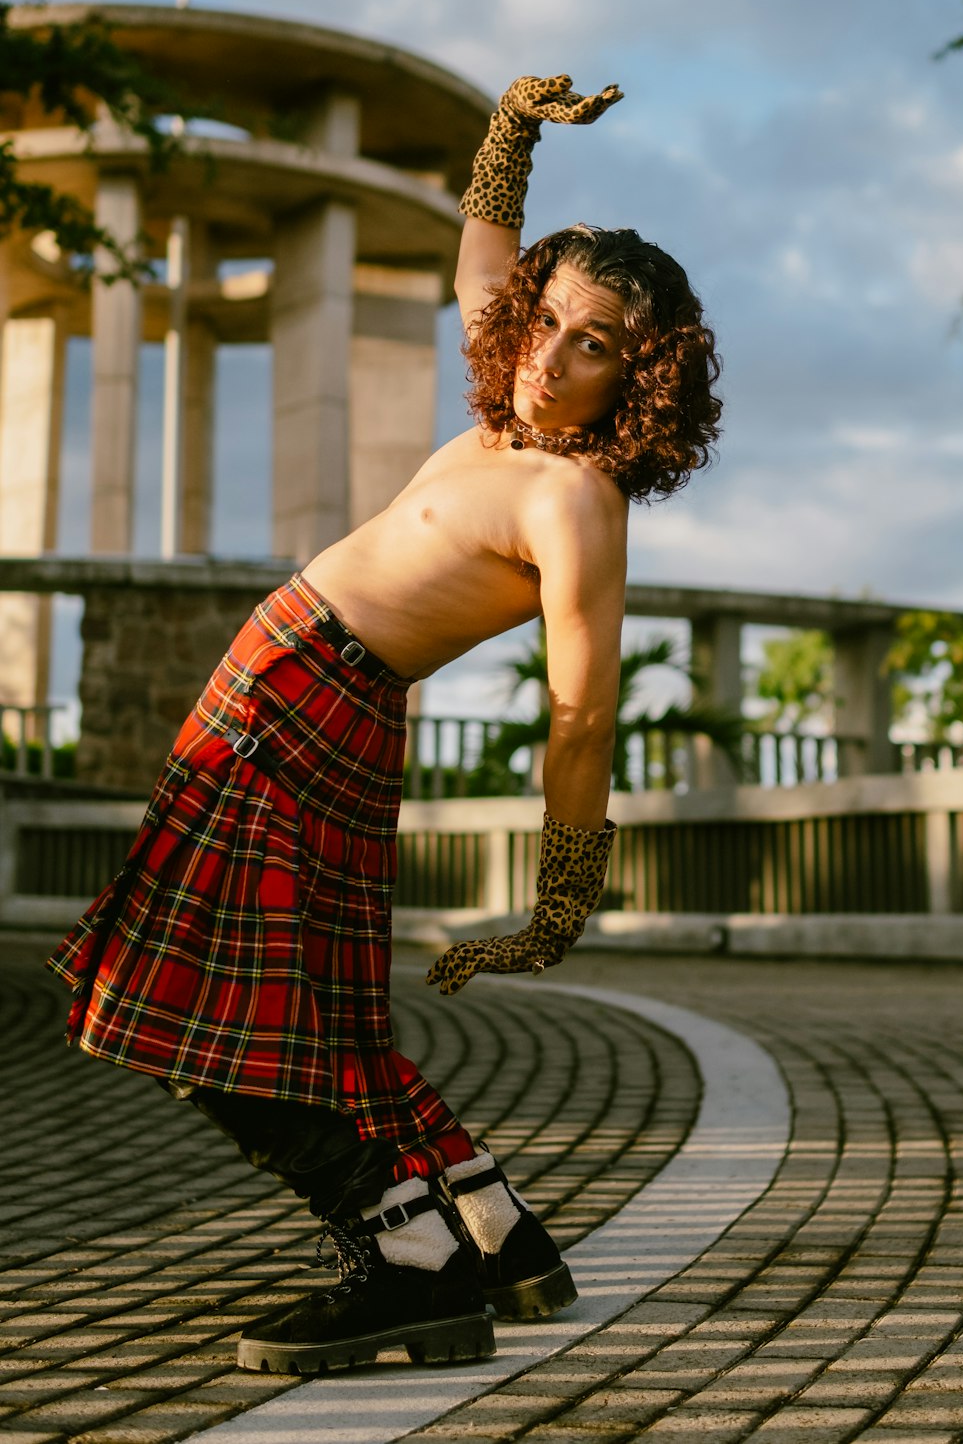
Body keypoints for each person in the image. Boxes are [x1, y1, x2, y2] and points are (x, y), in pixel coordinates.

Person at [46, 74, 722, 1376]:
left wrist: (559, 900)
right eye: (552, 320)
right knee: (329, 1028)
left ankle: (407, 1260)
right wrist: (511, 131)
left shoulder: (573, 500)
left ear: (644, 377)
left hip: (314, 711)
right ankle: (498, 1237)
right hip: (294, 695)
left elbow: (581, 716)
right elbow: (481, 253)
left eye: (598, 347)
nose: (553, 355)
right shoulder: (500, 409)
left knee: (173, 1004)